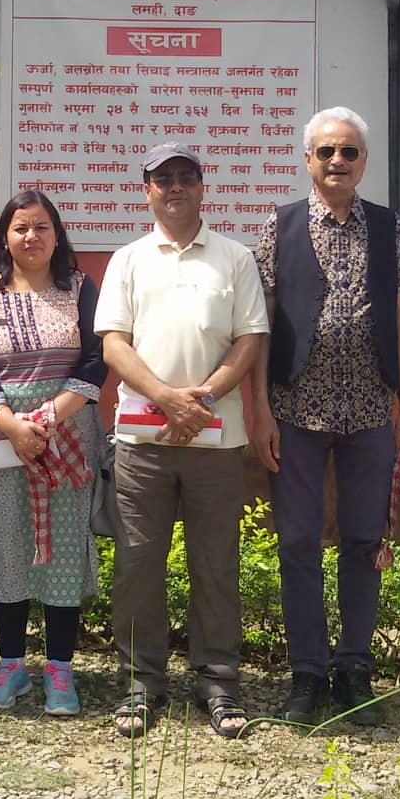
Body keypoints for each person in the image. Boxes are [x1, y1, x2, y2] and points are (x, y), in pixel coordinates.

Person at [250, 106, 400, 725]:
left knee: (364, 539)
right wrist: (261, 409)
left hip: (372, 409)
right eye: (326, 152)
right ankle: (306, 670)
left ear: (363, 161)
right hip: (295, 408)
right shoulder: (280, 226)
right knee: (297, 541)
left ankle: (353, 666)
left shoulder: (387, 227)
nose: (337, 161)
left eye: (348, 152)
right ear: (308, 160)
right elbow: (261, 324)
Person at [94, 144, 269, 741]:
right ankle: (142, 683)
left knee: (215, 563)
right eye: (162, 179)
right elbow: (114, 343)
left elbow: (249, 340)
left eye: (185, 177)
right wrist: (167, 398)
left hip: (216, 441)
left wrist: (201, 399)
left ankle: (218, 681)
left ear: (202, 186)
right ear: (146, 190)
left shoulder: (235, 257)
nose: (174, 188)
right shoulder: (128, 259)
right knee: (139, 561)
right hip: (142, 442)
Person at [0, 190, 107, 718]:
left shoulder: (80, 290)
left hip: (67, 435)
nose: (32, 237)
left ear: (57, 235)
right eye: (20, 228)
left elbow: (96, 360)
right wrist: (12, 425)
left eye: (42, 227)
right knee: (6, 540)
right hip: (2, 440)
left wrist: (47, 420)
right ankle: (11, 666)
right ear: (5, 237)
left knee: (64, 545)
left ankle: (61, 671)